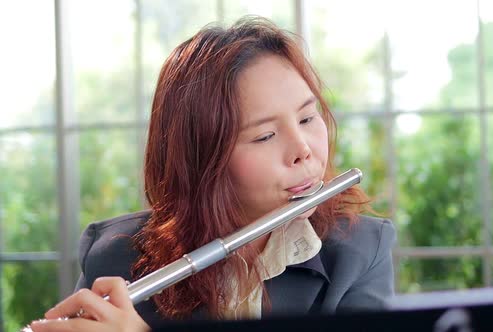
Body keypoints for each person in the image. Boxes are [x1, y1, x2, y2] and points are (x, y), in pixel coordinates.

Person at [30, 16, 396, 332]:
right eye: (265, 135)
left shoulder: (359, 253)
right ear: (203, 158)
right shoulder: (115, 255)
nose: (303, 149)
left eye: (306, 118)